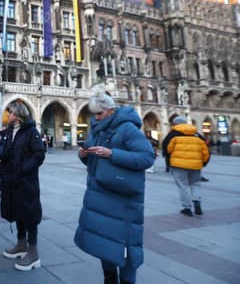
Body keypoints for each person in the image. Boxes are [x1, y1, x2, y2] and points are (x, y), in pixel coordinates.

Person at [74, 85, 154, 284]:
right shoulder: (97, 129)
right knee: (104, 243)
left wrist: (112, 154)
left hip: (122, 198)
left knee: (126, 246)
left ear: (111, 109)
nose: (97, 117)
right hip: (100, 195)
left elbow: (146, 157)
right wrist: (84, 154)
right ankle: (109, 280)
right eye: (94, 114)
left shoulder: (127, 128)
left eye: (100, 113)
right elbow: (94, 160)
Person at [0, 101, 45, 271]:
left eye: (10, 112)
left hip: (26, 181)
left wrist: (24, 169)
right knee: (18, 211)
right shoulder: (11, 130)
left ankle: (33, 253)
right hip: (12, 181)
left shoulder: (31, 132)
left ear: (18, 116)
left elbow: (39, 154)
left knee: (30, 215)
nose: (8, 114)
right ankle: (21, 245)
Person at [162, 116, 210, 217]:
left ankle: (187, 208)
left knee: (182, 185)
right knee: (195, 184)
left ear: (175, 124)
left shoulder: (173, 134)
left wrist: (169, 161)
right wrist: (204, 162)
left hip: (178, 165)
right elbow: (206, 150)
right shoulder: (197, 135)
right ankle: (197, 201)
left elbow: (167, 149)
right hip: (195, 165)